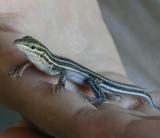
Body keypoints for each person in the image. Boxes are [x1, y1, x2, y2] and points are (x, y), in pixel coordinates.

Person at [0, 0, 160, 137]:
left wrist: (60, 84)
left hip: (104, 75)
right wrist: (18, 70)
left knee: (94, 81)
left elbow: (63, 71)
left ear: (39, 52)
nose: (25, 47)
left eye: (31, 47)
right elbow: (28, 62)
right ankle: (137, 95)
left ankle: (101, 98)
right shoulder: (35, 58)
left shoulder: (52, 64)